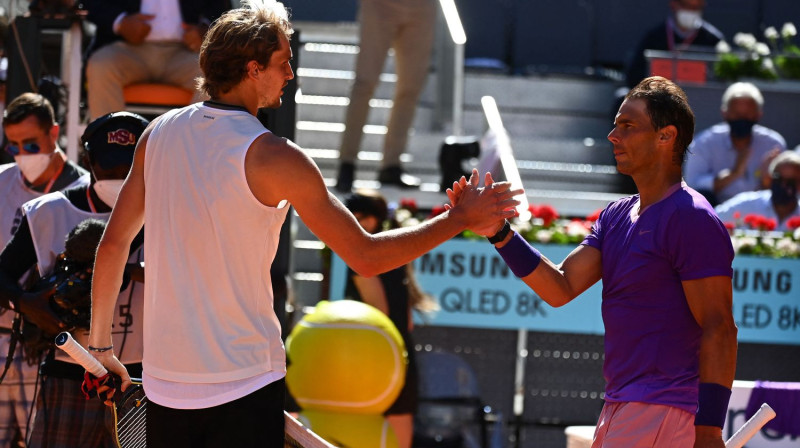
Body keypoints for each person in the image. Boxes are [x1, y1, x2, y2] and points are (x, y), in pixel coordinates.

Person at [86, 2, 520, 447]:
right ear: (253, 69)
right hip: (244, 383)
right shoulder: (276, 156)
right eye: (283, 62)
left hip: (165, 385)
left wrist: (101, 347)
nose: (290, 74)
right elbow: (366, 256)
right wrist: (459, 218)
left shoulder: (156, 134)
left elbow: (114, 244)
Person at [451, 76, 737, 447]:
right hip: (621, 405)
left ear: (666, 136)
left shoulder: (691, 217)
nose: (613, 136)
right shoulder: (616, 215)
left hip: (664, 409)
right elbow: (560, 287)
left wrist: (710, 430)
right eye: (616, 125)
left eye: (628, 126)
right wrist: (498, 232)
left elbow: (720, 327)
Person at [0, 111, 148, 447]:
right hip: (70, 373)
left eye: (128, 169)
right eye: (110, 168)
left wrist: (124, 270)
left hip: (144, 377)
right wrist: (27, 304)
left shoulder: (170, 212)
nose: (119, 177)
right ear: (89, 162)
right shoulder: (47, 213)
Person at [0, 92, 88, 447]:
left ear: (54, 133)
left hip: (49, 348)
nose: (23, 154)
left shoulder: (83, 193)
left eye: (32, 144)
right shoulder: (1, 181)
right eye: (14, 146)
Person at [342, 190, 437, 448]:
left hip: (375, 357)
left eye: (357, 218)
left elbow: (378, 313)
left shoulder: (361, 258)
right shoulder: (395, 253)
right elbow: (407, 322)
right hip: (401, 354)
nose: (352, 224)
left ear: (373, 219)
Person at [335, 0, 437, 191]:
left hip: (422, 7)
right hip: (380, 5)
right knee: (365, 82)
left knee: (410, 88)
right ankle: (347, 163)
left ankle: (391, 165)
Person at [84, 0, 231, 119]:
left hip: (185, 52)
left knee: (215, 71)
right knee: (100, 65)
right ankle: (108, 143)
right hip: (128, 49)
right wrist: (120, 22)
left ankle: (194, 144)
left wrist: (204, 31)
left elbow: (220, 9)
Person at [684, 82, 787, 206]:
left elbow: (787, 191)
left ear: (758, 115)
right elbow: (693, 186)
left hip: (760, 212)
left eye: (748, 114)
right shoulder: (704, 143)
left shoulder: (773, 144)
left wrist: (767, 180)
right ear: (724, 113)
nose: (742, 119)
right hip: (715, 211)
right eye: (736, 114)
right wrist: (734, 173)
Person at [625, 0, 724, 88]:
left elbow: (721, 80)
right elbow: (634, 75)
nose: (690, 10)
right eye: (685, 5)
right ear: (673, 4)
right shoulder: (654, 37)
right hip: (659, 99)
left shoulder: (713, 40)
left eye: (695, 7)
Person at [715, 151, 800, 231]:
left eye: (791, 181)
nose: (783, 185)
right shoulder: (747, 204)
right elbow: (712, 220)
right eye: (778, 178)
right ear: (769, 178)